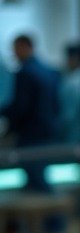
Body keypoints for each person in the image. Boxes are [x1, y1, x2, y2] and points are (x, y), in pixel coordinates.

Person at [0, 34, 62, 192]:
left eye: (15, 49)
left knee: (36, 179)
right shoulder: (48, 71)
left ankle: (52, 216)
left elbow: (21, 107)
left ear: (24, 47)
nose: (14, 54)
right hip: (47, 131)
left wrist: (9, 126)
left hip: (30, 132)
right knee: (38, 176)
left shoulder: (25, 73)